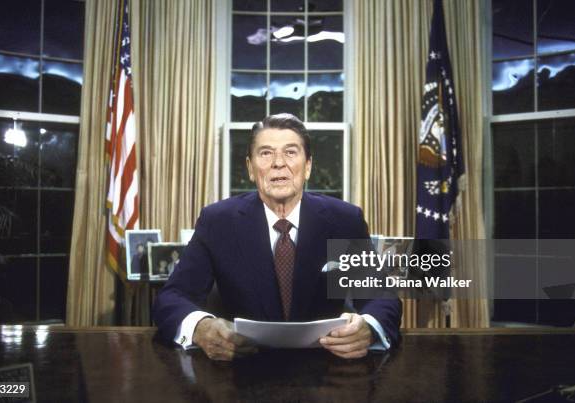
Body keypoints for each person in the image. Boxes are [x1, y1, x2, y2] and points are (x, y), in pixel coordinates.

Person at [153, 113, 402, 361]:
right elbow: (172, 298)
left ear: (307, 167)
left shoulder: (344, 220)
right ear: (251, 169)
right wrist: (200, 328)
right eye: (266, 153)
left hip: (326, 367)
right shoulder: (218, 221)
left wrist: (368, 328)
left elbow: (381, 297)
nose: (278, 163)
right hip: (241, 369)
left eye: (291, 152)